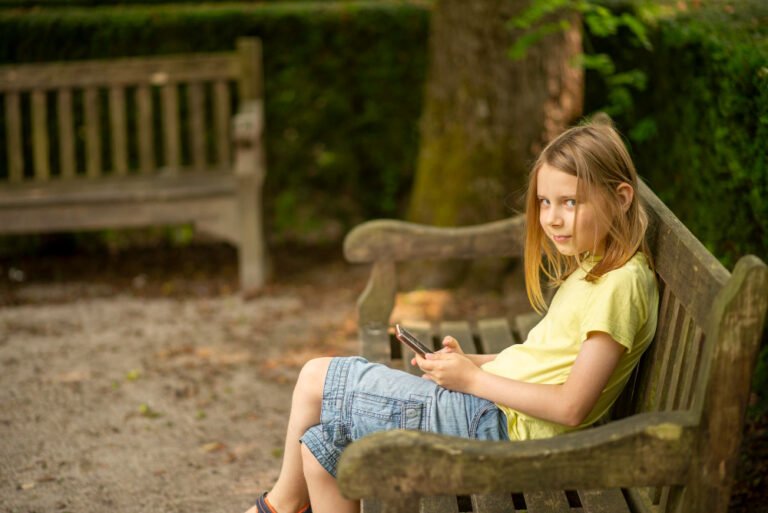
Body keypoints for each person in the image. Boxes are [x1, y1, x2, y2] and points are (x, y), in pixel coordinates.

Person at [244, 115, 660, 513]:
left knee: (317, 377)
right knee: (322, 445)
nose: (552, 218)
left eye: (570, 202)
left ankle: (278, 506)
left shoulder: (619, 285)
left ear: (621, 198)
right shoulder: (596, 265)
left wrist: (475, 380)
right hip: (497, 413)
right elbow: (547, 361)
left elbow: (571, 406)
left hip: (498, 429)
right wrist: (471, 364)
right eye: (545, 202)